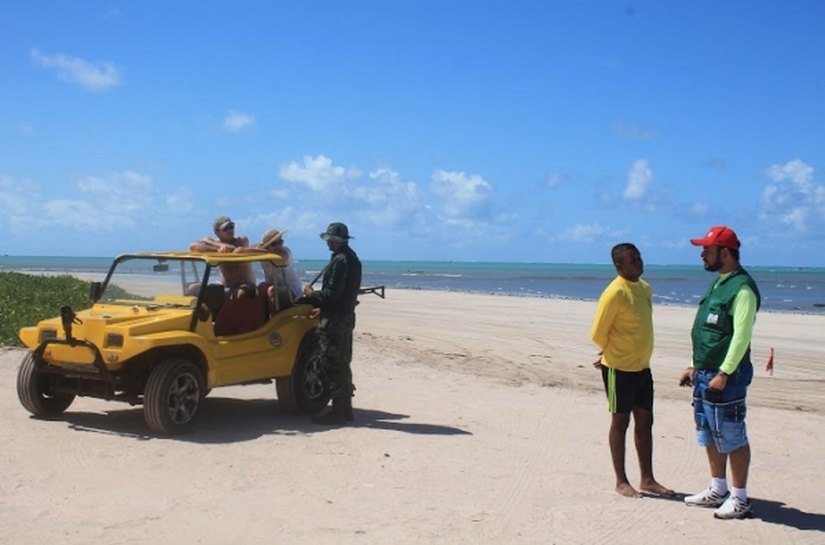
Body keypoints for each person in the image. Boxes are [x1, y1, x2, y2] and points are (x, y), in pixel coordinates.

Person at [679, 226, 760, 520]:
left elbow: (741, 336)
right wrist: (693, 364)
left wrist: (724, 372)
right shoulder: (718, 283)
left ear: (724, 253)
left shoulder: (743, 289)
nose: (702, 254)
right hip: (704, 373)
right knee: (709, 432)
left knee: (732, 434)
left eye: (707, 249)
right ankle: (718, 488)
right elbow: (706, 331)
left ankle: (739, 499)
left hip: (727, 377)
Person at [590, 243, 674, 498]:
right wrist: (608, 351)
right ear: (619, 265)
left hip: (642, 368)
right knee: (621, 421)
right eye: (632, 259)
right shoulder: (614, 293)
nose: (639, 262)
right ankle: (621, 480)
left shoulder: (645, 288)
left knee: (645, 421)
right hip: (618, 368)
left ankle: (647, 479)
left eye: (639, 257)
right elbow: (597, 333)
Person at [296, 222, 362, 425]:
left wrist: (311, 295)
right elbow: (344, 295)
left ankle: (338, 412)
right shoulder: (352, 259)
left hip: (334, 320)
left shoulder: (341, 260)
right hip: (345, 316)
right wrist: (322, 306)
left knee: (331, 363)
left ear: (337, 241)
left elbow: (332, 293)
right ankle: (345, 410)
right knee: (343, 362)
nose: (328, 245)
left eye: (330, 241)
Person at [189, 215, 256, 295]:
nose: (230, 230)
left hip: (246, 285)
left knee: (240, 294)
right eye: (225, 229)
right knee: (192, 288)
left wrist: (210, 242)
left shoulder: (241, 240)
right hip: (225, 285)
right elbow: (193, 246)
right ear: (217, 232)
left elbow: (232, 249)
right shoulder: (216, 244)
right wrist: (217, 248)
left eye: (231, 227)